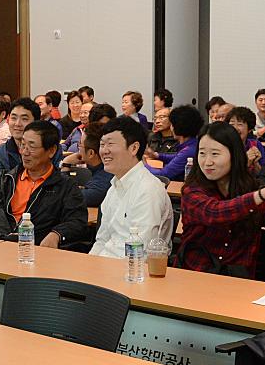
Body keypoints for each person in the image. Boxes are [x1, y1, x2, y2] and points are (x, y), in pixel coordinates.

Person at [176, 122, 265, 277]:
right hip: (196, 276)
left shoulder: (250, 188)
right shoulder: (193, 190)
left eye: (215, 154)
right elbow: (216, 213)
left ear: (234, 154)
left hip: (239, 281)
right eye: (202, 153)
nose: (207, 162)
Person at [0, 120, 88, 247]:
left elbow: (77, 221)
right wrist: (4, 243)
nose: (24, 152)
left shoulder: (65, 186)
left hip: (39, 252)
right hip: (0, 246)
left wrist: (57, 234)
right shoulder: (4, 179)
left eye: (32, 147)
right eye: (22, 145)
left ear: (51, 151)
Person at [89, 117, 174, 258]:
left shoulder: (148, 190)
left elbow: (140, 253)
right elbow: (102, 240)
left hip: (132, 272)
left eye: (110, 144)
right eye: (102, 145)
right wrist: (89, 265)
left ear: (134, 148)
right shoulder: (114, 187)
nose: (104, 151)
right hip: (104, 267)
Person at [0, 97, 61, 175]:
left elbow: (58, 178)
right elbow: (0, 182)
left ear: (36, 122)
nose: (17, 124)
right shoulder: (0, 152)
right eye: (13, 118)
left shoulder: (50, 148)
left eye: (24, 119)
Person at [145, 105, 204, 181]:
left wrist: (143, 165)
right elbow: (176, 157)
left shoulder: (188, 151)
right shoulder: (192, 143)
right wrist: (157, 155)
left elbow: (164, 174)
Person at [77, 123, 113, 208]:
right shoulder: (100, 170)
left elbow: (70, 197)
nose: (78, 148)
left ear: (91, 153)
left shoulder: (104, 179)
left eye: (80, 144)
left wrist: (64, 165)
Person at [225, 106, 264, 173]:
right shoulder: (223, 147)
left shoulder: (256, 145)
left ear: (249, 129)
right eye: (232, 124)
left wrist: (255, 163)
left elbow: (264, 175)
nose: (235, 128)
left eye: (240, 124)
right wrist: (246, 162)